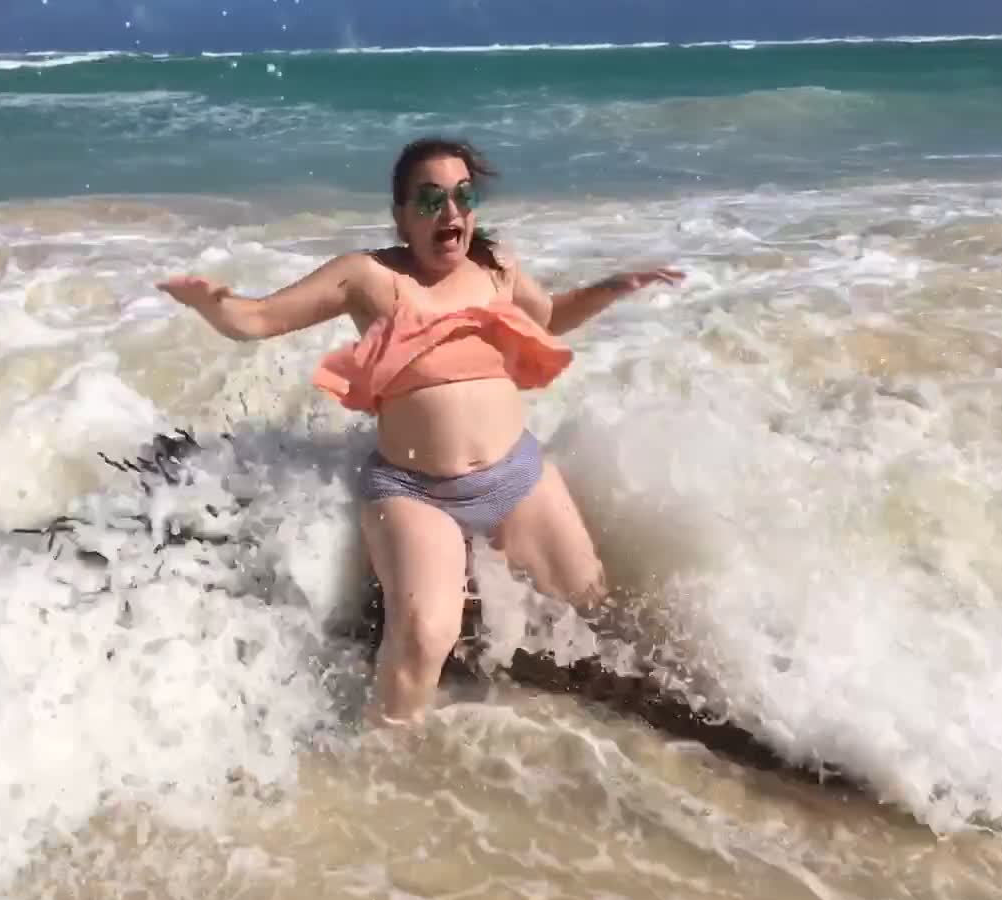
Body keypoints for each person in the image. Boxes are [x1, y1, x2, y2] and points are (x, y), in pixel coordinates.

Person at [157, 138, 683, 725]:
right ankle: (385, 761)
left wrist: (614, 287)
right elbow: (256, 319)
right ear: (402, 216)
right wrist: (213, 303)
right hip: (416, 493)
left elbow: (552, 315)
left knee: (593, 608)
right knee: (424, 635)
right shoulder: (369, 276)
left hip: (518, 478)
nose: (451, 213)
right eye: (430, 200)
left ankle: (621, 728)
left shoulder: (496, 266)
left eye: (463, 196)